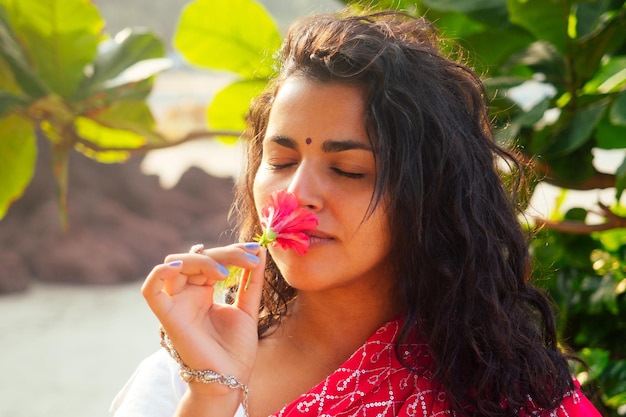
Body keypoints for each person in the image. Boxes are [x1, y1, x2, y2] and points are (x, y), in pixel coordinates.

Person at [111, 9, 602, 417]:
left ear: (427, 196)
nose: (296, 193)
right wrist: (214, 396)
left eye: (348, 170)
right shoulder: (183, 380)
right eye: (280, 161)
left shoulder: (506, 389)